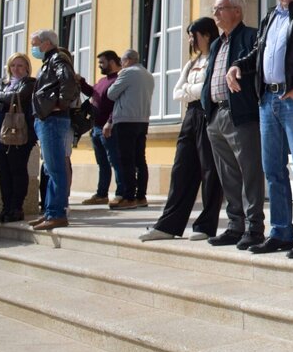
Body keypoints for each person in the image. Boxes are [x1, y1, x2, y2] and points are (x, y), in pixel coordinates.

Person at [227, 0, 293, 257]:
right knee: (273, 170)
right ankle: (281, 233)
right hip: (267, 101)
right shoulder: (270, 16)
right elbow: (259, 52)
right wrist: (237, 66)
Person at [140, 18, 224, 241]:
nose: (190, 40)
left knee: (210, 170)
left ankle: (206, 225)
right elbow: (176, 92)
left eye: (193, 35)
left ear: (206, 35)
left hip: (209, 113)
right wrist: (194, 89)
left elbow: (209, 88)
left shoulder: (217, 57)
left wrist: (191, 89)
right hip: (190, 115)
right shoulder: (192, 62)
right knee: (181, 169)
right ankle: (168, 225)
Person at [201, 0, 264, 249]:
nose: (215, 14)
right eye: (214, 8)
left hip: (240, 114)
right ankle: (235, 226)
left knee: (249, 172)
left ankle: (254, 227)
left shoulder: (251, 37)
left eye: (220, 9)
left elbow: (256, 68)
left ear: (237, 11)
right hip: (215, 115)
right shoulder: (217, 43)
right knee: (227, 174)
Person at [29, 29, 80, 231]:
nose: (33, 48)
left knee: (56, 169)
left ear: (46, 43)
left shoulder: (57, 58)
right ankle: (51, 212)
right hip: (46, 119)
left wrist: (60, 104)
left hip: (52, 120)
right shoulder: (49, 60)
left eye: (35, 44)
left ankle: (57, 214)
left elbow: (68, 81)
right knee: (51, 169)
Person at [0, 53, 37, 223]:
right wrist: (2, 105)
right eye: (13, 65)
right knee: (4, 172)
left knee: (17, 171)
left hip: (20, 134)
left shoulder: (30, 83)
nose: (16, 69)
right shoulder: (2, 82)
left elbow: (17, 97)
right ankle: (6, 207)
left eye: (20, 65)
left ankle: (16, 208)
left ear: (27, 67)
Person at [106, 50, 155, 210]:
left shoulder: (127, 73)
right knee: (140, 159)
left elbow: (111, 94)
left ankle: (129, 197)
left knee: (126, 160)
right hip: (142, 120)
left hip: (126, 120)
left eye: (122, 61)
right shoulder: (148, 74)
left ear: (127, 60)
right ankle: (141, 196)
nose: (121, 64)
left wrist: (119, 76)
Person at [78, 51, 122, 206]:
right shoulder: (102, 81)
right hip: (96, 128)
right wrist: (81, 82)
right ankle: (101, 194)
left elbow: (118, 104)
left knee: (115, 161)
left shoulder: (118, 80)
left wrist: (110, 122)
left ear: (112, 62)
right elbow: (93, 93)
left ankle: (121, 193)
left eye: (102, 62)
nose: (99, 66)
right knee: (102, 163)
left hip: (109, 128)